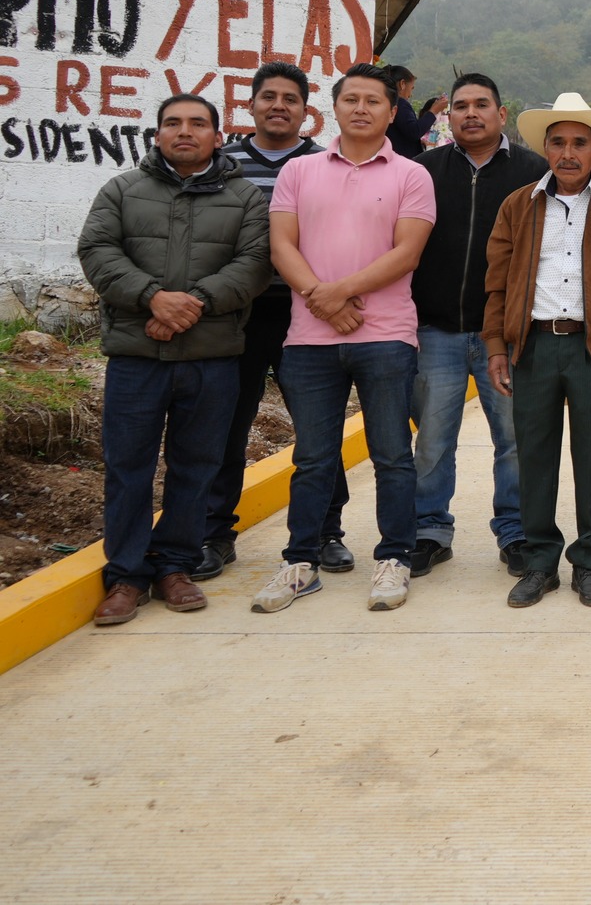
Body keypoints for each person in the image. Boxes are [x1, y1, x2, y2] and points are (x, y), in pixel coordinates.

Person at [77, 95, 271, 624]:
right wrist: (152, 298)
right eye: (173, 123)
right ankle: (126, 575)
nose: (185, 131)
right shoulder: (122, 190)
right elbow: (97, 251)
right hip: (137, 357)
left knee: (197, 465)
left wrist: (192, 305)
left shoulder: (245, 198)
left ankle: (176, 566)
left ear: (218, 136)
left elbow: (255, 264)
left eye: (197, 123)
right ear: (158, 134)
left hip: (212, 358)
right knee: (128, 467)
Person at [253, 65, 436, 614]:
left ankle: (394, 557)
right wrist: (322, 300)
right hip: (308, 340)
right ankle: (300, 562)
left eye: (373, 101)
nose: (361, 108)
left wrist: (338, 294)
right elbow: (282, 245)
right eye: (350, 99)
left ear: (391, 112)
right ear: (332, 108)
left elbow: (407, 252)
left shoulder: (412, 175)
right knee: (313, 457)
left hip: (386, 337)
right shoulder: (299, 170)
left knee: (392, 455)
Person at [486, 93, 591, 608]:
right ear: (545, 148)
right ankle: (540, 563)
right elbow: (496, 284)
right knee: (534, 458)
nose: (568, 153)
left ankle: (588, 562)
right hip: (534, 346)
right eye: (558, 142)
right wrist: (496, 345)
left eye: (579, 143)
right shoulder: (518, 204)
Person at [409, 71, 548, 578]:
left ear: (501, 113)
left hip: (507, 336)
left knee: (513, 440)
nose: (471, 113)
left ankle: (515, 532)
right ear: (448, 116)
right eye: (461, 106)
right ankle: (429, 530)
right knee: (432, 439)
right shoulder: (423, 170)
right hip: (436, 330)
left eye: (481, 104)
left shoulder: (535, 172)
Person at [196, 61, 328, 581]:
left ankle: (327, 533)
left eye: (290, 98)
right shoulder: (221, 163)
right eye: (269, 96)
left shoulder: (324, 163)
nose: (279, 106)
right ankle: (214, 534)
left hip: (306, 311)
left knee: (317, 429)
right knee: (225, 426)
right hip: (238, 315)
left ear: (305, 110)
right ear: (250, 104)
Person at [383, 65, 443, 161]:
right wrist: (434, 111)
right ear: (402, 84)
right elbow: (414, 132)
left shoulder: (387, 102)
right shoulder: (401, 104)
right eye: (411, 88)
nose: (410, 95)